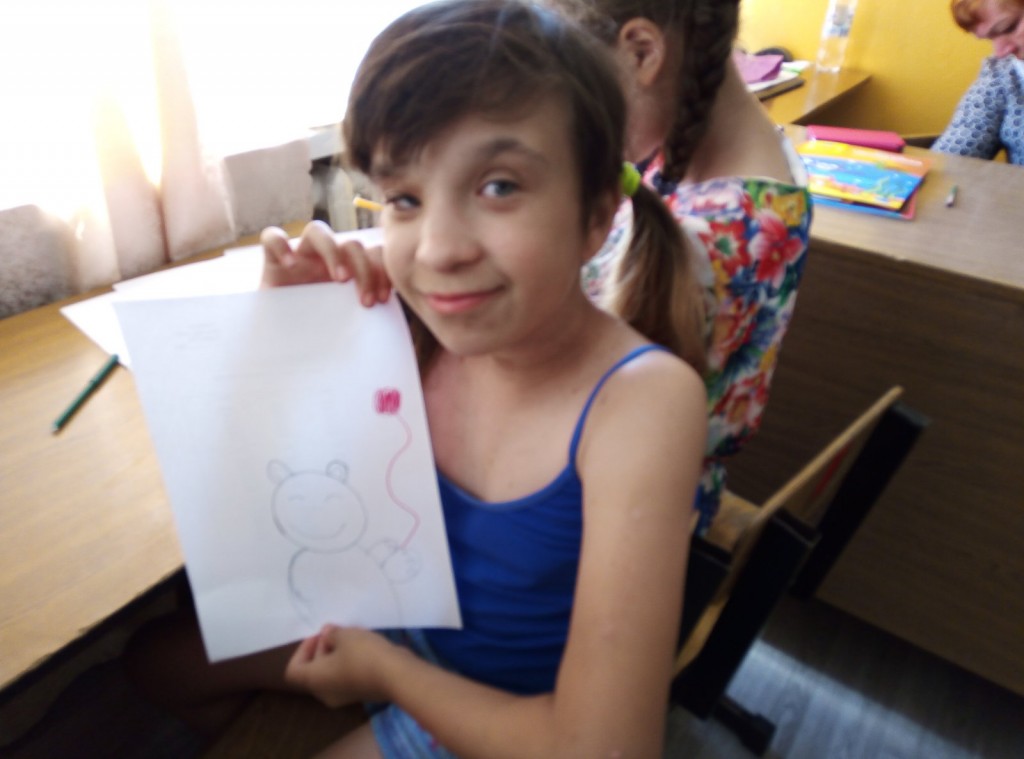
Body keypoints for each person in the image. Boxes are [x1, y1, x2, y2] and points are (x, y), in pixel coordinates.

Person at [124, 2, 708, 757]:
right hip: (392, 625)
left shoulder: (643, 405)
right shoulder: (413, 329)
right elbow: (260, 498)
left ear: (596, 216)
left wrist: (389, 676)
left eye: (499, 186)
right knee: (154, 660)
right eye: (405, 198)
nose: (438, 249)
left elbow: (602, 748)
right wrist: (288, 330)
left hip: (507, 716)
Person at [543, 0, 813, 535]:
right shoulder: (743, 157)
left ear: (643, 52)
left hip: (623, 521)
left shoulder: (703, 240)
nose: (575, 117)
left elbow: (575, 409)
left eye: (580, 88)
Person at [933, 0, 1024, 165]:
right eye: (990, 38)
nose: (1001, 52)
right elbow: (950, 161)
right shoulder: (1002, 77)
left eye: (1009, 28)